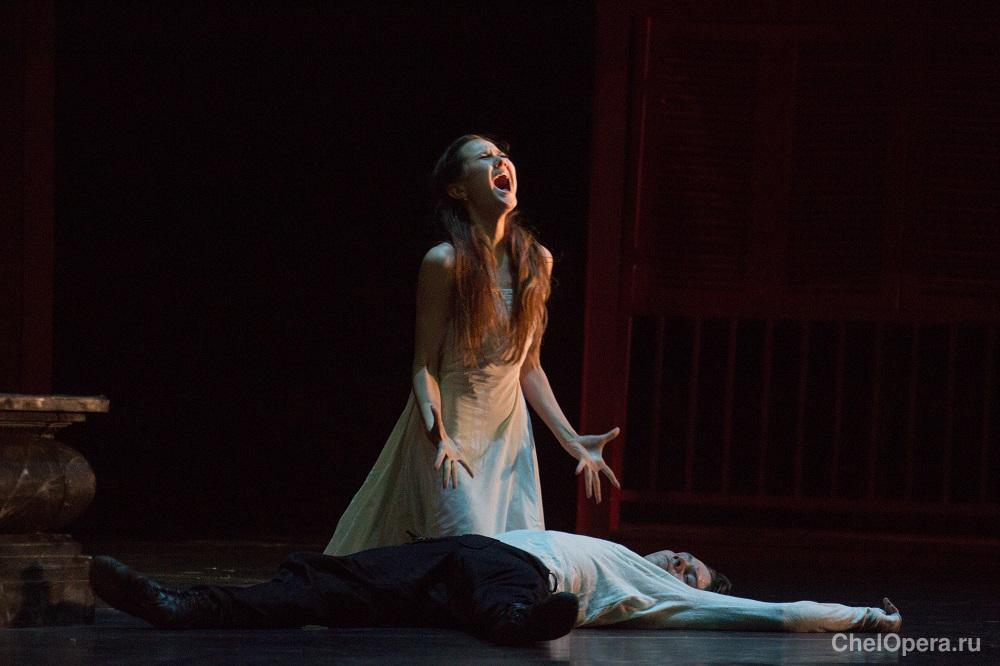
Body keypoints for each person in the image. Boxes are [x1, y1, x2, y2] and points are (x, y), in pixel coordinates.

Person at [324, 135, 621, 556]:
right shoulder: (445, 261)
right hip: (454, 433)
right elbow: (424, 364)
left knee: (512, 557)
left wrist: (570, 438)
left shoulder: (536, 261)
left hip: (509, 436)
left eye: (502, 155)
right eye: (484, 157)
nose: (500, 161)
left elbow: (529, 366)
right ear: (458, 189)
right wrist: (439, 433)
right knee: (464, 549)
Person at [88, 530, 901, 644]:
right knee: (327, 584)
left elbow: (770, 613)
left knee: (501, 593)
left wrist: (865, 617)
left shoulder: (657, 587)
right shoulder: (616, 542)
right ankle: (179, 606)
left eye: (692, 569)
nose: (679, 562)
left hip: (517, 576)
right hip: (467, 557)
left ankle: (517, 621)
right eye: (683, 557)